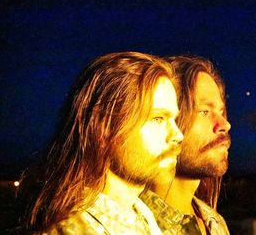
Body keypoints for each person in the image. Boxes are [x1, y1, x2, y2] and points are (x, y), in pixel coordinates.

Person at [24, 52, 183, 234]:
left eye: (174, 119)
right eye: (158, 118)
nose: (178, 135)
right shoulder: (75, 229)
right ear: (104, 128)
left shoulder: (139, 213)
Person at [140, 55, 231, 234]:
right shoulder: (133, 226)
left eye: (221, 111)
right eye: (204, 111)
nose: (225, 124)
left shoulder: (215, 223)